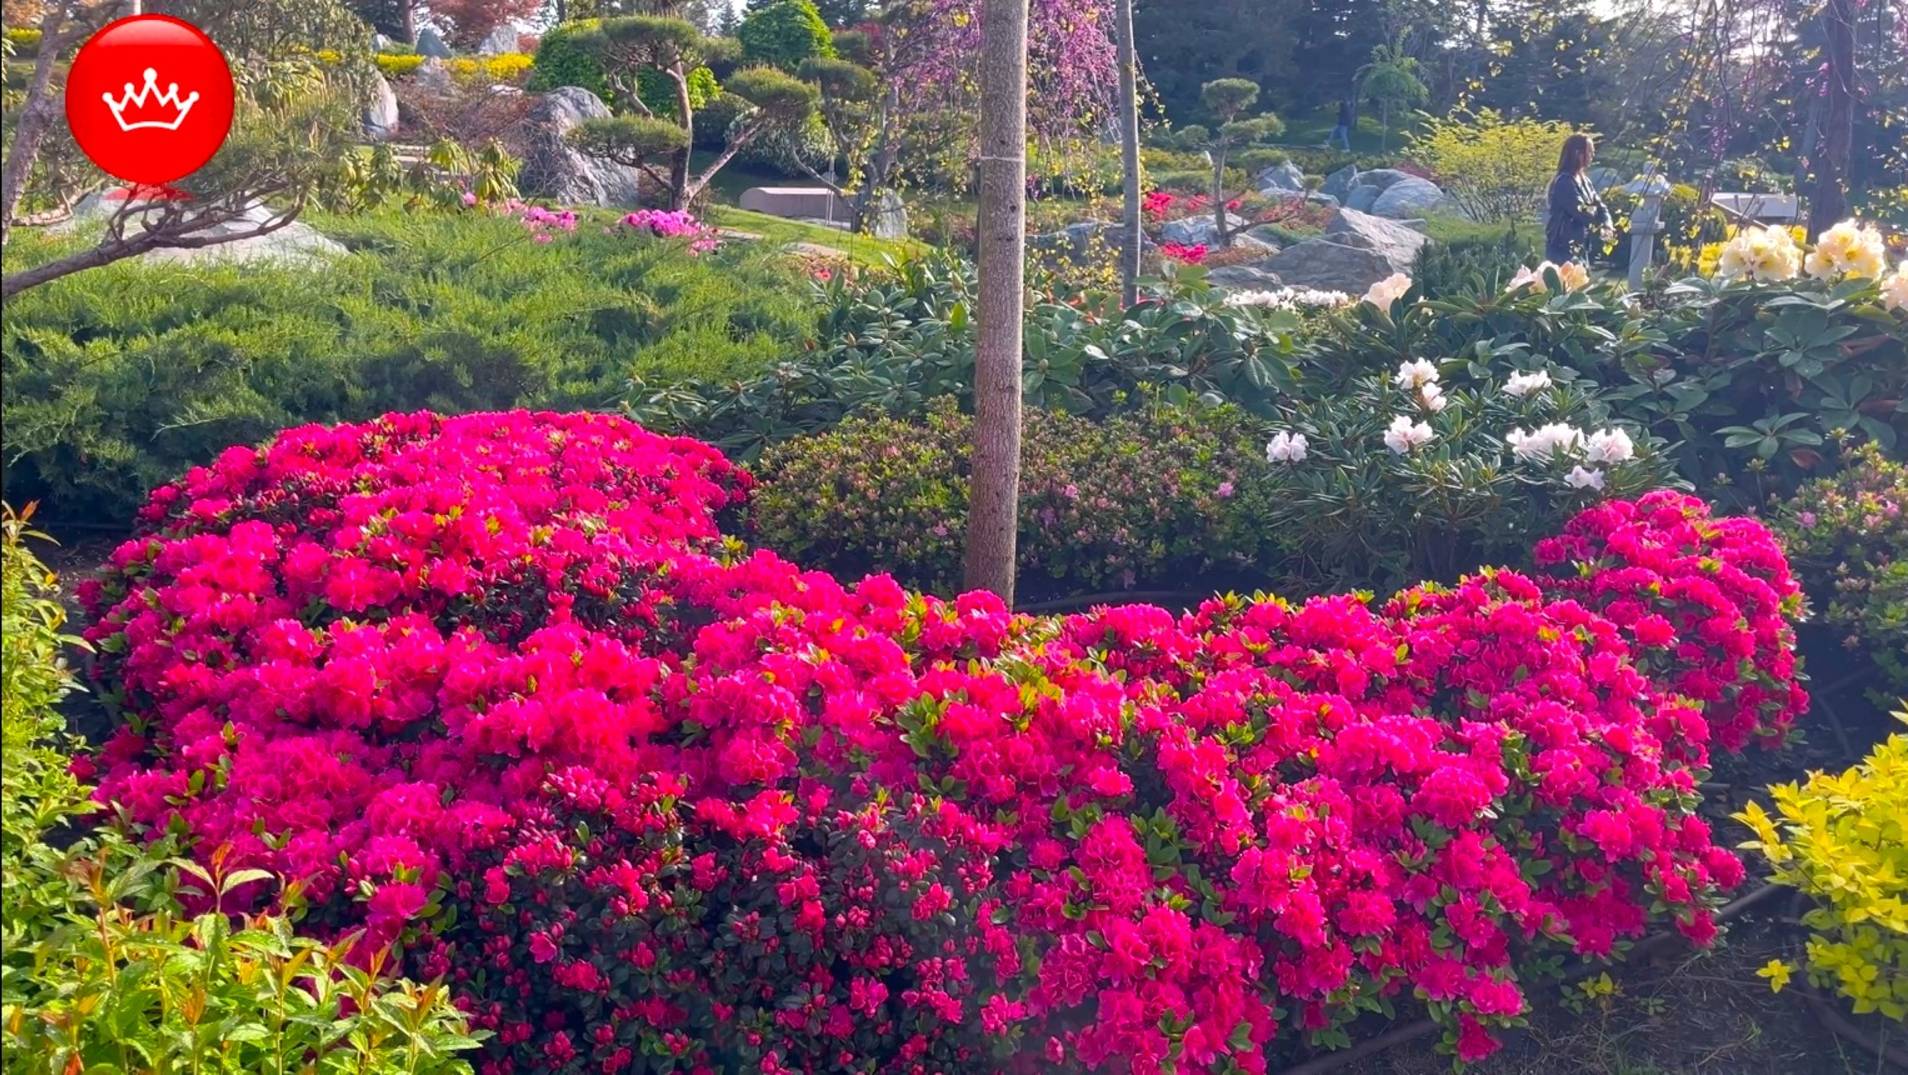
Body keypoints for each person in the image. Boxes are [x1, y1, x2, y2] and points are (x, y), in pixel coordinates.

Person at [1545, 132, 1615, 265]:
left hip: (1580, 247)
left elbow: (1601, 207)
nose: (1592, 155)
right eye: (1590, 152)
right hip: (1562, 249)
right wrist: (1598, 221)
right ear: (1578, 153)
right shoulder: (1564, 182)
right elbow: (1581, 212)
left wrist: (1607, 224)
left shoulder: (1585, 181)